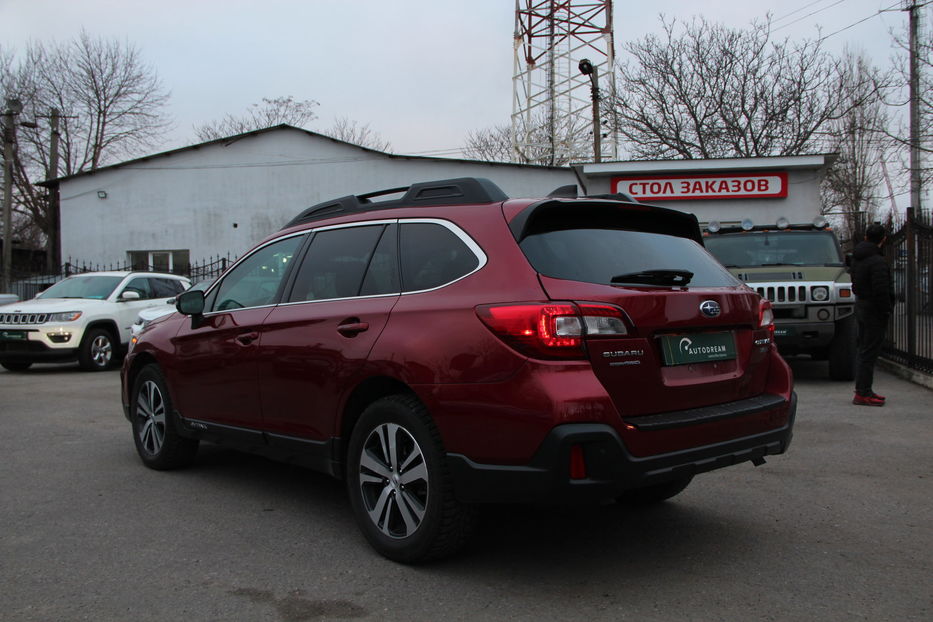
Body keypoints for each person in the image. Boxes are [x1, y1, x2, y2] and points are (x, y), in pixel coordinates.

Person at [850, 223, 893, 406]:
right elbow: (881, 289)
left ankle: (863, 390)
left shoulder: (857, 258)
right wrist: (886, 309)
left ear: (866, 237)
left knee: (864, 349)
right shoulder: (877, 261)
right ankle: (863, 392)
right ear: (883, 239)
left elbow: (854, 282)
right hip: (874, 310)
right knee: (869, 351)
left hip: (861, 305)